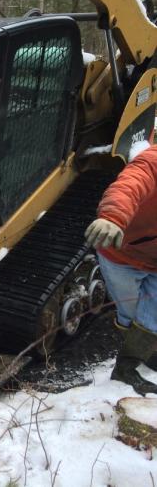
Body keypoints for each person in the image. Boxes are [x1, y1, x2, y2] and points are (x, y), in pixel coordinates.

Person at [84, 144, 157, 395]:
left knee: (153, 316)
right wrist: (113, 217)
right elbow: (130, 184)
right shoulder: (153, 161)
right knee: (131, 312)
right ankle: (125, 367)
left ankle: (142, 356)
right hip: (123, 255)